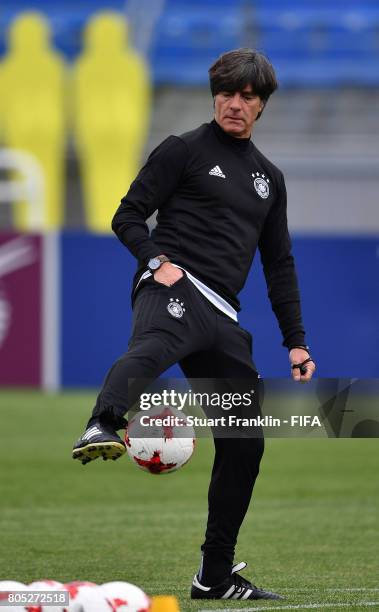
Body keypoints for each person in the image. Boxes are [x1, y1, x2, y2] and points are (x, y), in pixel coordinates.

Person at [72, 48, 316, 601]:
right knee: (153, 348)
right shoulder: (183, 149)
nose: (235, 104)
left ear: (261, 106)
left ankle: (214, 577)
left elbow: (279, 264)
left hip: (224, 315)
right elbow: (127, 214)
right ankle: (102, 424)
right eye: (227, 93)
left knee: (246, 440)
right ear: (215, 96)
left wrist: (296, 342)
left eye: (247, 96)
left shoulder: (269, 181)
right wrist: (156, 263)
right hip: (173, 284)